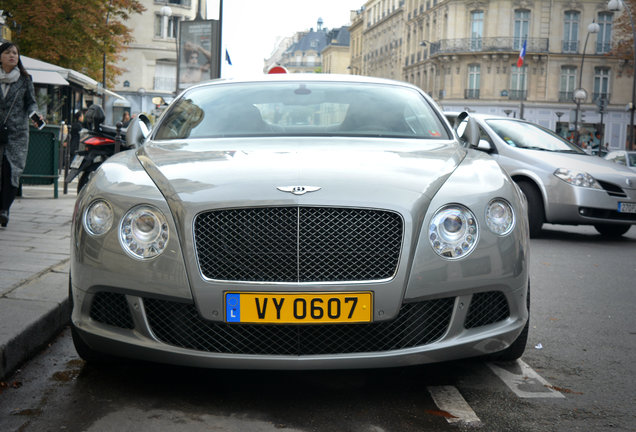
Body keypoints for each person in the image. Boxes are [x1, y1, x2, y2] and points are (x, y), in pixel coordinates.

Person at [0, 42, 40, 228]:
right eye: (8, 52)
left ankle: (4, 209)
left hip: (17, 134)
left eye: (15, 53)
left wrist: (35, 115)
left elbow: (31, 103)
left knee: (11, 172)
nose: (12, 56)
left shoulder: (25, 79)